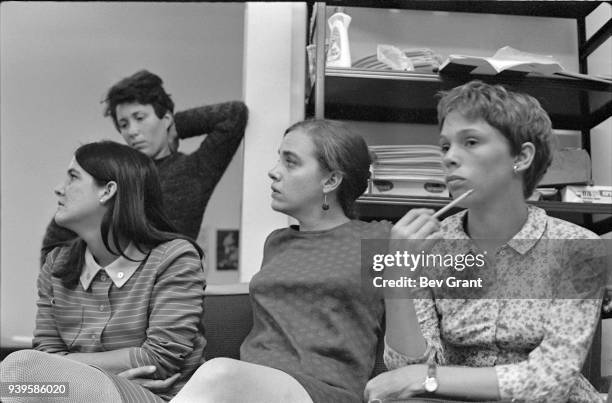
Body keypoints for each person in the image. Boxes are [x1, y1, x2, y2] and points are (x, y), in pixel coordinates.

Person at [364, 81, 607, 402]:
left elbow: (551, 379)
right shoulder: (431, 246)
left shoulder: (579, 247)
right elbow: (404, 371)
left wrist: (428, 377)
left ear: (521, 157)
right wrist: (397, 273)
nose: (449, 157)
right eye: (445, 146)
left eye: (471, 141)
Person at [171, 119, 391, 403]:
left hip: (325, 391)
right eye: (279, 159)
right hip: (253, 386)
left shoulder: (379, 238)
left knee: (219, 374)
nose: (273, 172)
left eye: (290, 163)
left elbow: (461, 264)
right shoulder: (276, 242)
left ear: (331, 180)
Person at [1, 141, 206, 402]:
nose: (59, 189)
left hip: (155, 396)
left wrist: (68, 368)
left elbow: (158, 358)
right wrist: (104, 376)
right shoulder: (56, 264)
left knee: (19, 374)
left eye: (73, 177)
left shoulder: (174, 257)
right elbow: (45, 358)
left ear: (108, 191)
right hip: (76, 395)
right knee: (13, 385)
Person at [41, 69, 248, 264]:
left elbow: (234, 115)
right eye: (123, 124)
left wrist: (177, 126)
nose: (132, 131)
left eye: (139, 118)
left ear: (165, 118)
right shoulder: (115, 172)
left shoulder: (195, 169)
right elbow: (57, 237)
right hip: (109, 291)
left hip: (169, 287)